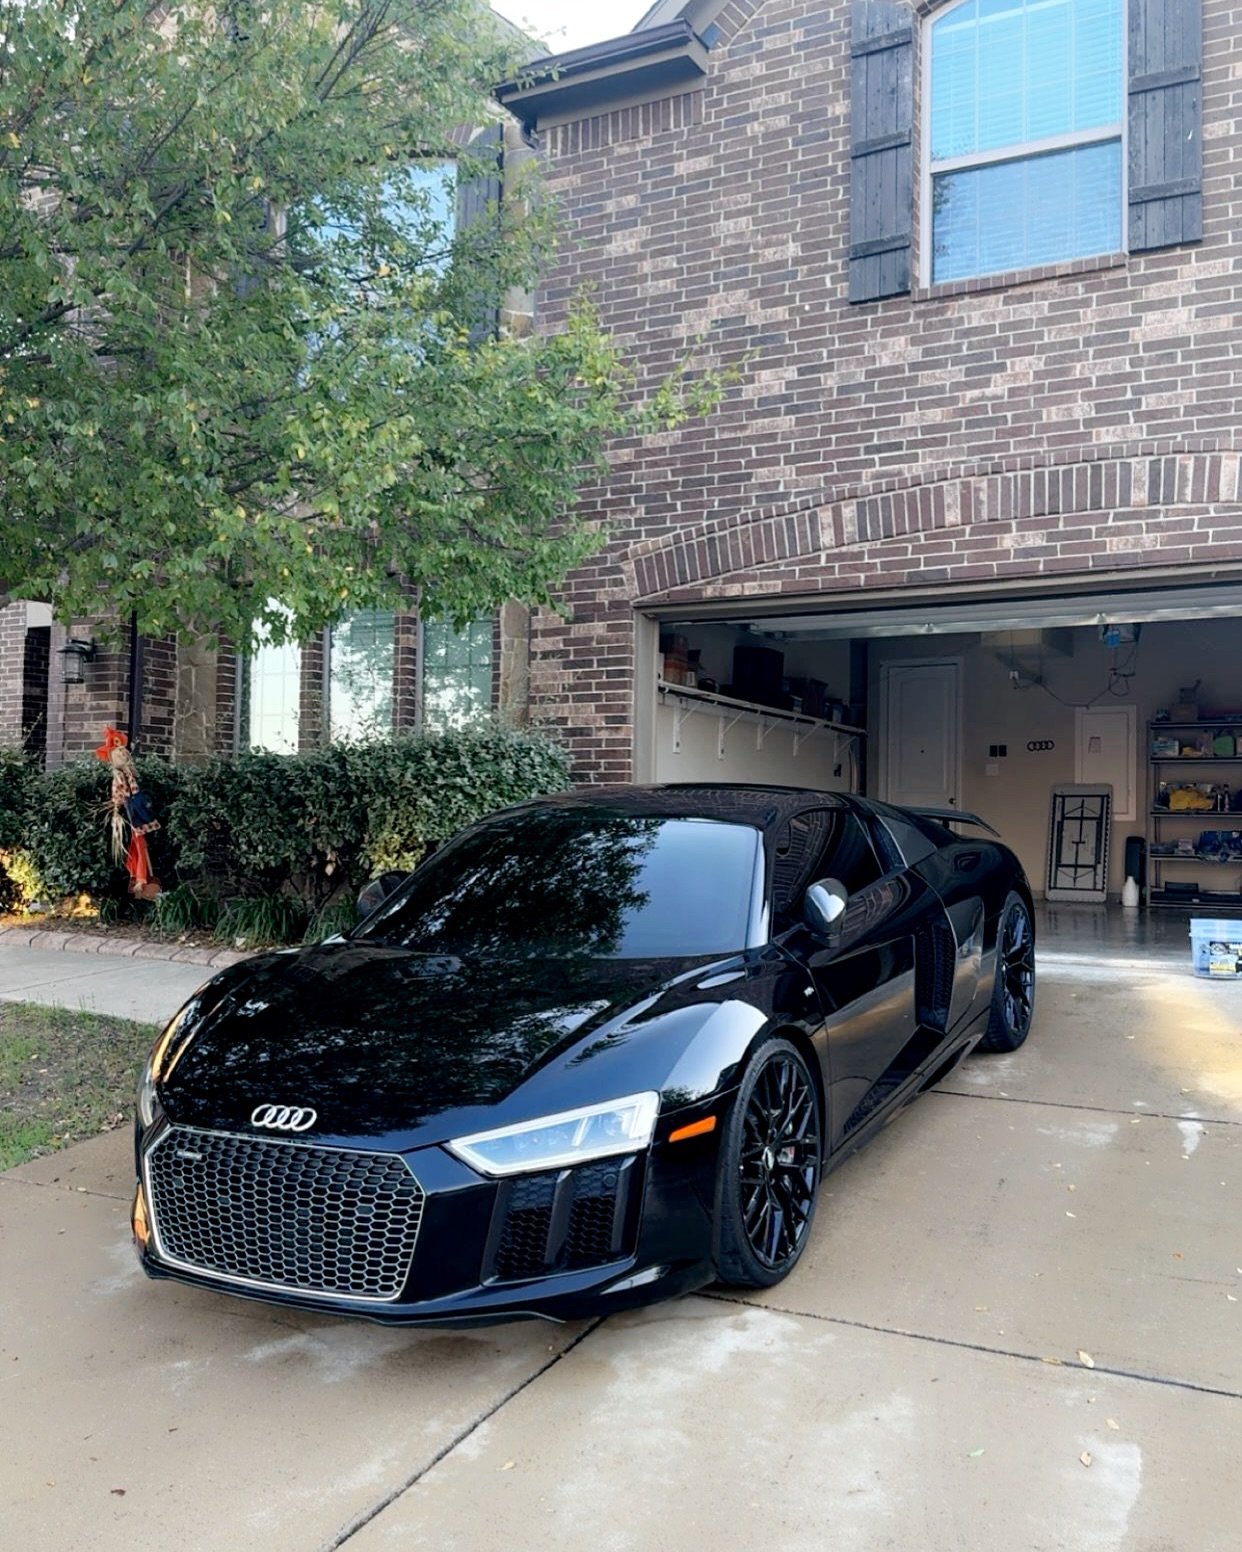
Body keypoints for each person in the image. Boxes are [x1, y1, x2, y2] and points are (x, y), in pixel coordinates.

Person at [94, 726, 162, 900]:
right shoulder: (119, 774)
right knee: (138, 843)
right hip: (131, 810)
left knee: (139, 843)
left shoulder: (128, 772)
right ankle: (140, 879)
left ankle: (139, 878)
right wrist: (121, 807)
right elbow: (119, 794)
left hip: (135, 807)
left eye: (124, 753)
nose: (123, 756)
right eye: (120, 754)